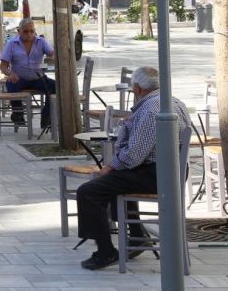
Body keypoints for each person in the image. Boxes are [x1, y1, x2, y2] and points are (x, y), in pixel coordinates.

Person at [74, 66, 192, 270]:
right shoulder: (174, 101)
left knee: (89, 191)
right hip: (173, 171)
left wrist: (111, 165)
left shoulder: (150, 110)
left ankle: (105, 251)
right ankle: (137, 236)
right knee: (114, 181)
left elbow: (134, 156)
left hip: (158, 174)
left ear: (137, 88)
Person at [0, 18, 56, 130]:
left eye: (31, 31)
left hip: (37, 78)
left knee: (55, 87)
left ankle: (46, 117)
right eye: (25, 31)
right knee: (11, 84)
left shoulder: (41, 42)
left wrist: (53, 55)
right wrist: (10, 73)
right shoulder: (11, 44)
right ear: (19, 31)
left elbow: (52, 54)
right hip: (19, 78)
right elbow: (3, 66)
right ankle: (18, 114)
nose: (29, 34)